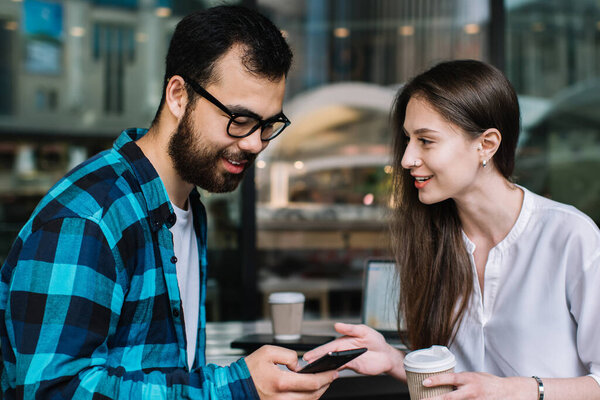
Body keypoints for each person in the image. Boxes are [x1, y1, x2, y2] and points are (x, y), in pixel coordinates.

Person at [0, 5, 337, 399]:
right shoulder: (89, 217)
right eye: (240, 120)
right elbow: (52, 390)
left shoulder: (188, 206)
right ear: (179, 96)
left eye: (268, 125)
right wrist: (232, 388)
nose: (253, 143)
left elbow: (162, 372)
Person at [304, 59, 600, 399]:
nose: (406, 159)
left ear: (486, 145)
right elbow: (457, 385)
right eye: (407, 139)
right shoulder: (434, 240)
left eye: (426, 141)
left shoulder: (570, 236)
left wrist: (521, 390)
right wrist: (392, 360)